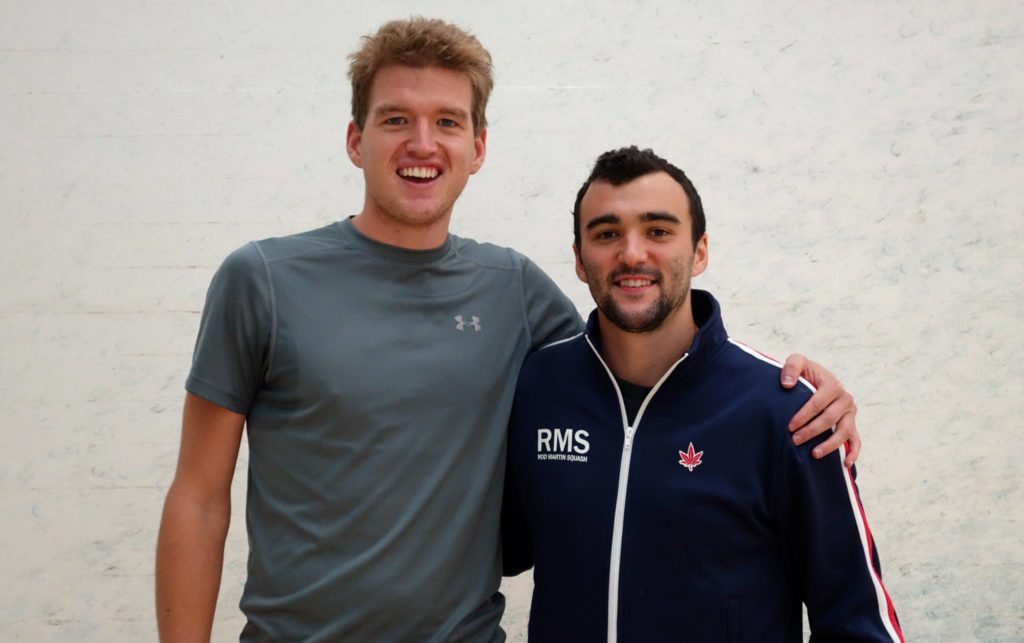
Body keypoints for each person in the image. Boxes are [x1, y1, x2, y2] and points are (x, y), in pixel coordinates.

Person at [155, 19, 862, 643]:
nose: (422, 143)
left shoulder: (514, 290)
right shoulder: (262, 280)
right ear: (355, 139)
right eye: (396, 119)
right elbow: (197, 496)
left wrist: (799, 390)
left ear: (478, 145)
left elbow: (645, 340)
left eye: (448, 121)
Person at [502, 146, 904, 642]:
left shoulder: (787, 411)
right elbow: (494, 548)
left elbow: (857, 620)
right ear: (580, 261)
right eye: (607, 234)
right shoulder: (537, 388)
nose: (632, 253)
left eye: (659, 231)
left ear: (699, 251)